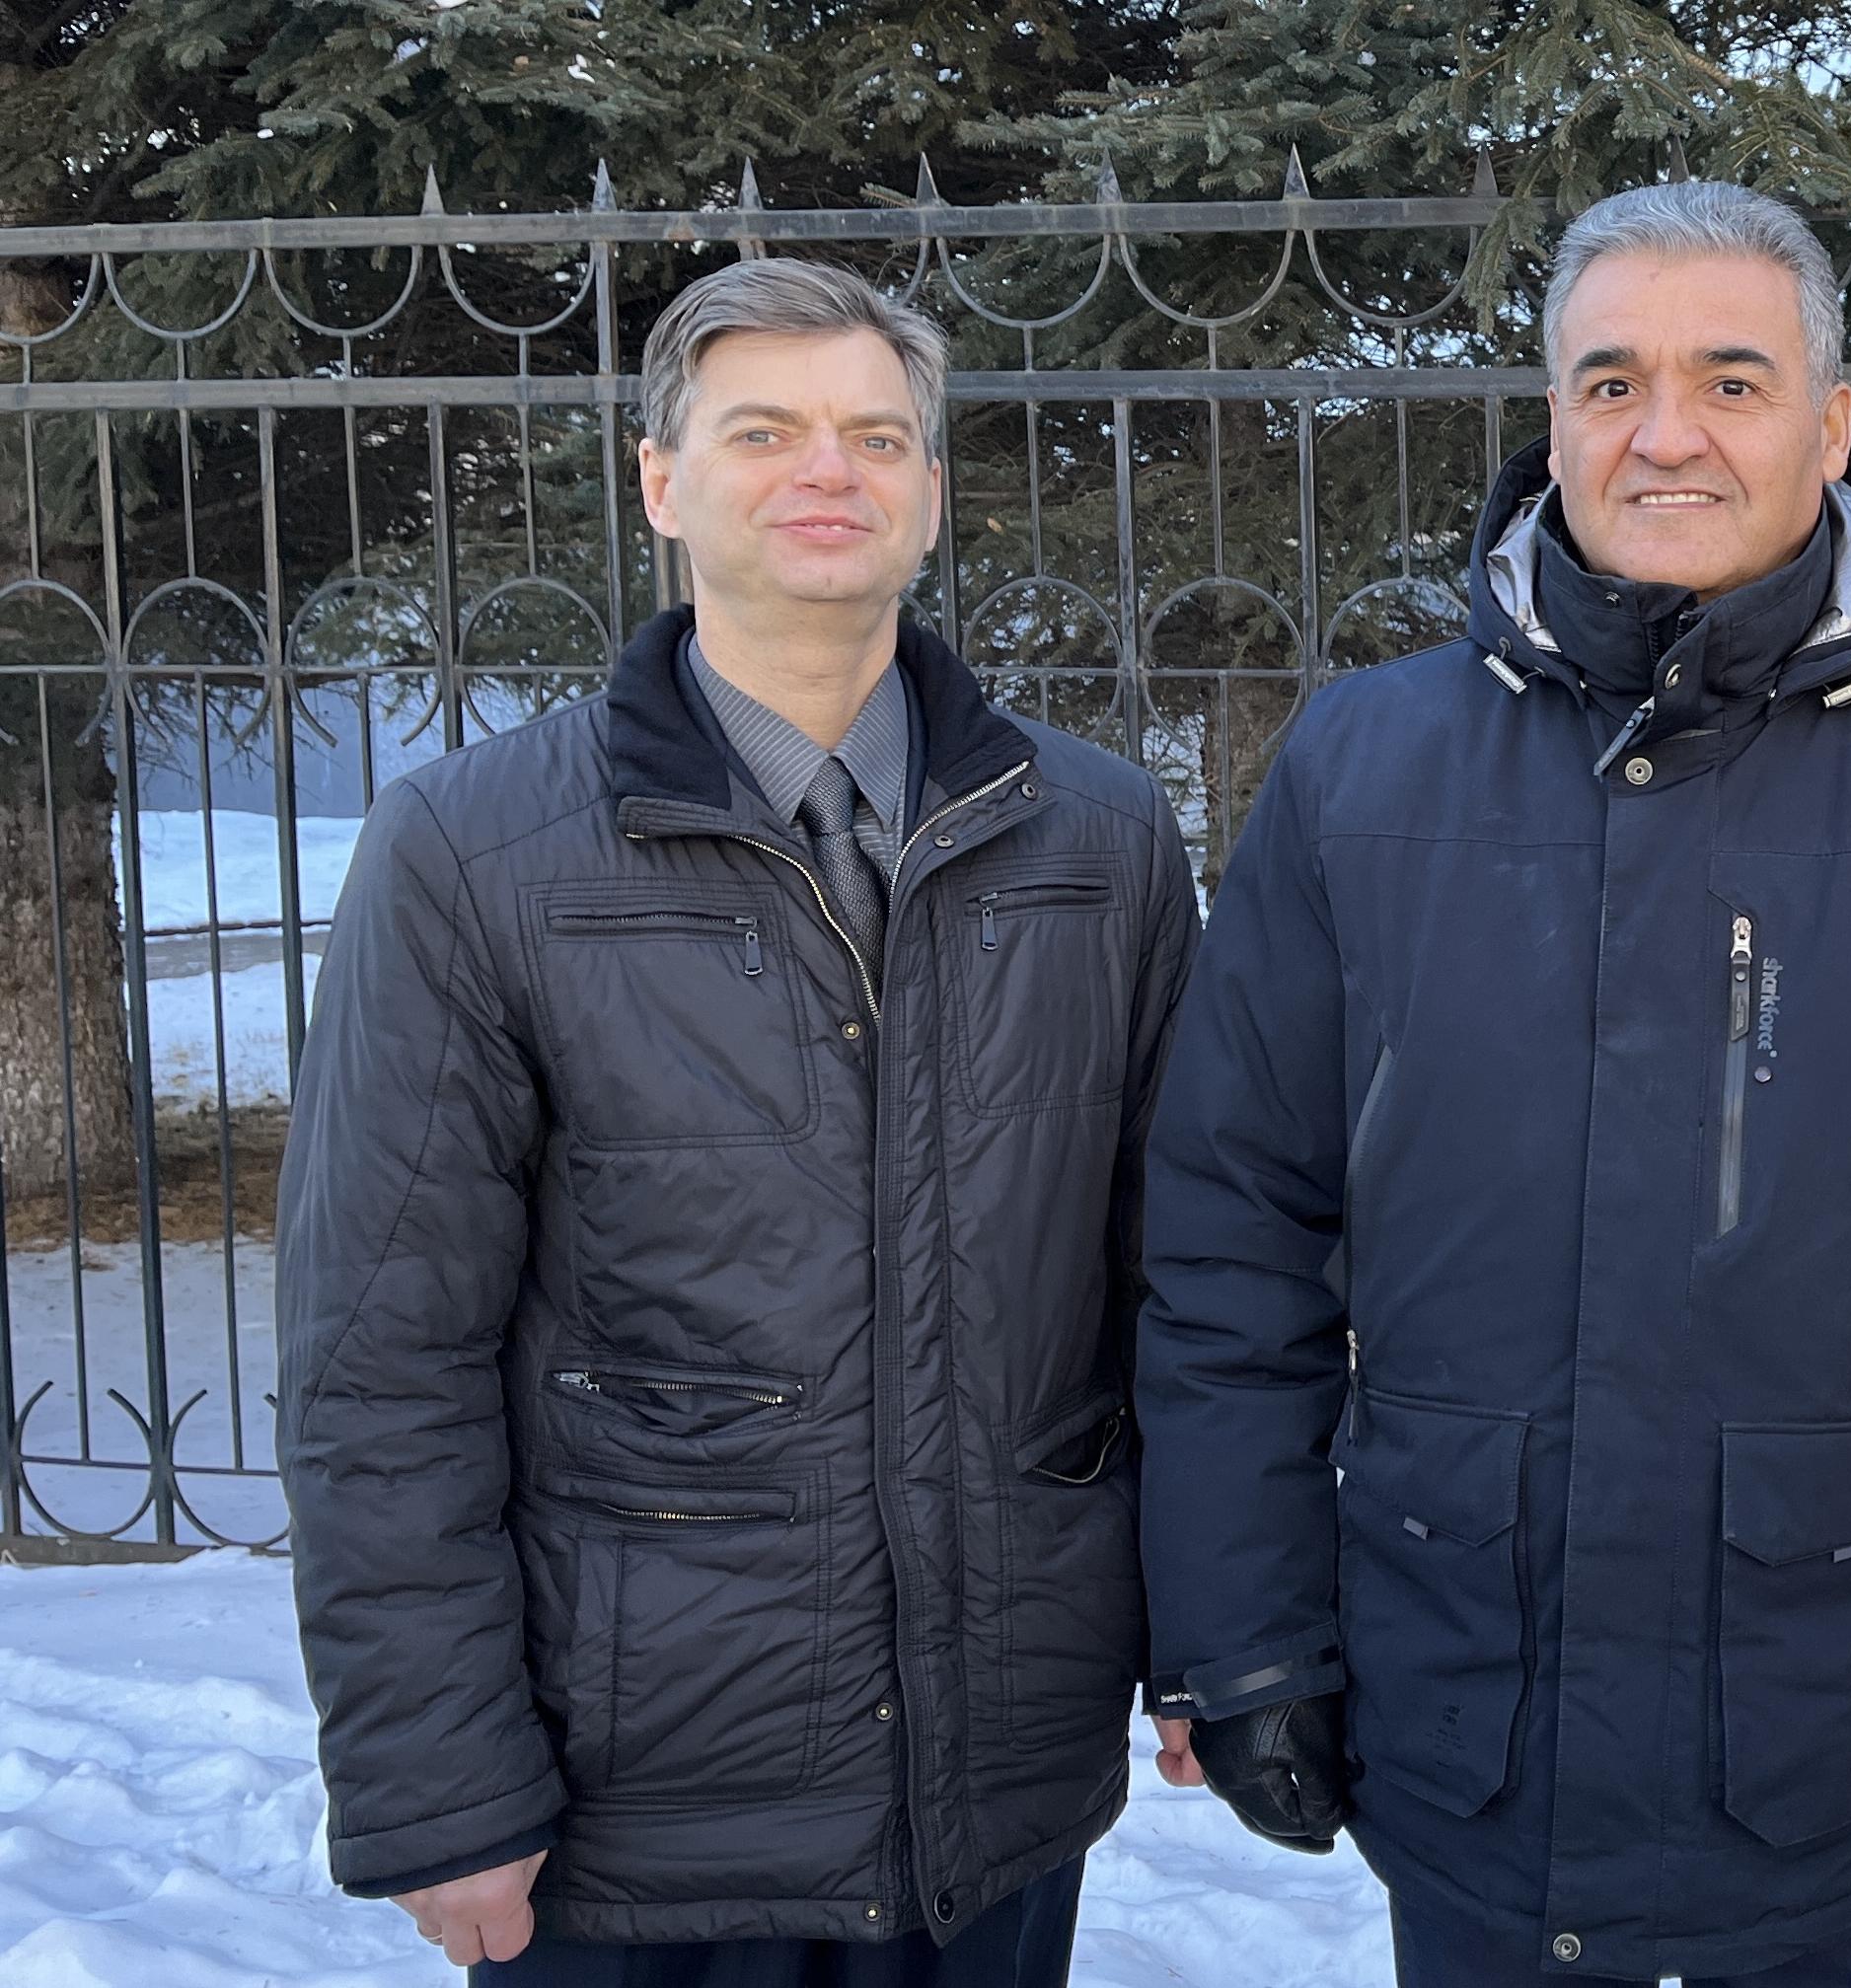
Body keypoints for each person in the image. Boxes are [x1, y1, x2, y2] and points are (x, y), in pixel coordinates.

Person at [1129, 181, 1851, 1986]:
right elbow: (1234, 1225)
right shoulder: (1364, 764)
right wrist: (1242, 1633)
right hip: (1465, 1699)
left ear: (1831, 426)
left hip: (1828, 1708)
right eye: (1611, 382)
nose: (1665, 433)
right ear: (1553, 421)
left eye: (1731, 381)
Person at [275, 257, 1197, 1986]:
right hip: (639, 1806)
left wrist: (1216, 1637)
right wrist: (437, 1782)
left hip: (994, 1793)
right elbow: (381, 1355)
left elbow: (1178, 1285)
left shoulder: (1098, 838)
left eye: (874, 434)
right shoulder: (474, 852)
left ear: (931, 485)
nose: (826, 470)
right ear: (661, 481)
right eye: (763, 430)